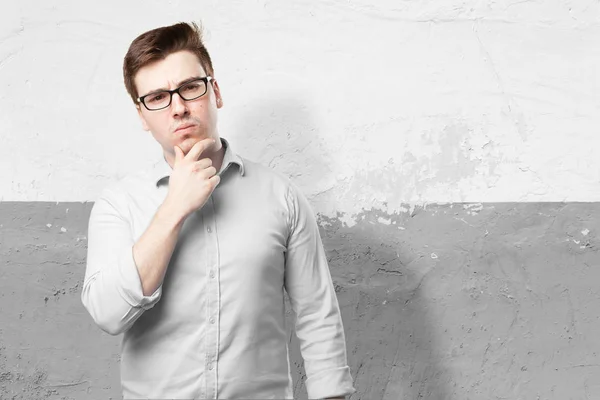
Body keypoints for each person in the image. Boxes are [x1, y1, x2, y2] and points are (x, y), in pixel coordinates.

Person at [80, 21, 356, 400]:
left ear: (216, 92)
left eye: (190, 88)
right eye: (158, 97)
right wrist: (173, 209)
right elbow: (109, 314)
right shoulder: (119, 205)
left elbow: (317, 315)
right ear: (142, 117)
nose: (178, 108)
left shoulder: (282, 197)